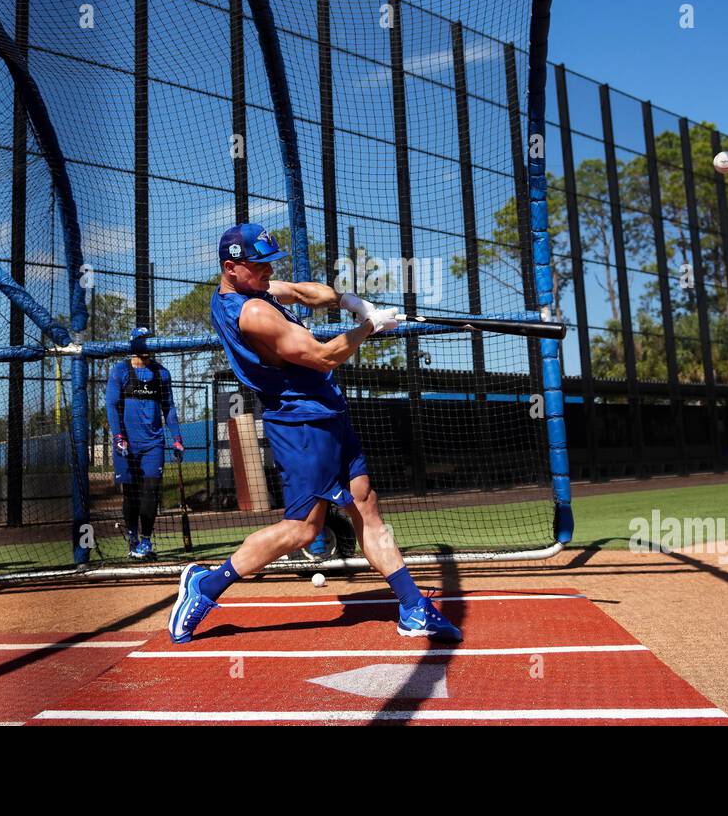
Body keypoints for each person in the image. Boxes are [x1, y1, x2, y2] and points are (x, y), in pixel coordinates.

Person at [168, 223, 462, 643]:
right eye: (259, 267)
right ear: (231, 268)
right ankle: (207, 585)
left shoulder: (254, 289)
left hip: (328, 412)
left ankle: (413, 607)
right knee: (304, 529)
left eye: (270, 266)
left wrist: (352, 302)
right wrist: (368, 328)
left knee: (364, 504)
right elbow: (324, 357)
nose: (269, 274)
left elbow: (305, 292)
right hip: (303, 424)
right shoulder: (252, 312)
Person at [106, 327, 183, 559]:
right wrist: (118, 436)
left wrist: (177, 438)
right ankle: (132, 540)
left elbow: (169, 408)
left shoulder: (162, 374)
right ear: (134, 344)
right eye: (143, 342)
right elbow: (111, 406)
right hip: (126, 445)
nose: (148, 347)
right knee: (131, 494)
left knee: (151, 492)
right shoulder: (120, 372)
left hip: (154, 444)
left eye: (150, 342)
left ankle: (146, 542)